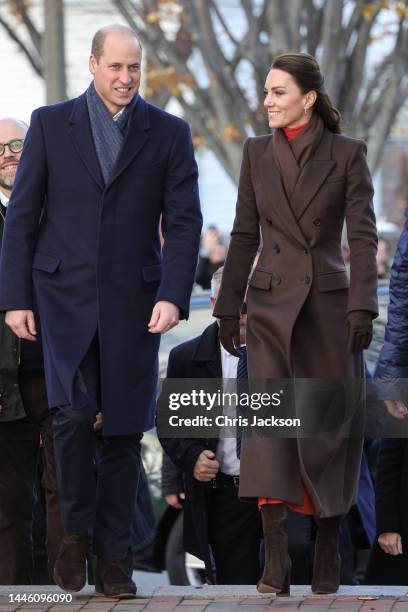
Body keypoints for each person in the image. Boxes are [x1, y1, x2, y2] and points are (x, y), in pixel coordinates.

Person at [0, 24, 202, 598]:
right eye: (115, 67)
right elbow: (23, 215)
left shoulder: (168, 133)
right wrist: (14, 298)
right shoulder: (49, 124)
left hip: (137, 307)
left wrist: (172, 293)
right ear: (92, 65)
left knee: (122, 432)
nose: (126, 78)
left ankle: (115, 559)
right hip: (60, 301)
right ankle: (73, 539)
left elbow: (184, 223)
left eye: (134, 67)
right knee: (68, 420)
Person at [213, 52, 378, 595]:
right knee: (268, 433)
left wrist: (362, 306)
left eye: (278, 93)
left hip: (329, 314)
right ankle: (277, 558)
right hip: (267, 312)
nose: (267, 102)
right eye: (265, 92)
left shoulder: (348, 154)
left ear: (308, 98)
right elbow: (242, 236)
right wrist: (226, 306)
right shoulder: (255, 152)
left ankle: (329, 545)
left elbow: (362, 238)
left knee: (327, 430)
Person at [159, 266, 263, 585]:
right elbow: (169, 421)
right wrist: (190, 458)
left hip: (274, 490)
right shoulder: (186, 358)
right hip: (224, 493)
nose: (242, 314)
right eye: (234, 305)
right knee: (234, 585)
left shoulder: (282, 353)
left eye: (250, 305)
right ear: (216, 302)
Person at [0, 117, 63, 585]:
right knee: (9, 506)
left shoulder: (59, 211)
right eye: (0, 148)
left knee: (65, 493)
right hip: (3, 381)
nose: (10, 154)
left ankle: (64, 592)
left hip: (56, 371)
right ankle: (13, 593)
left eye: (18, 144)